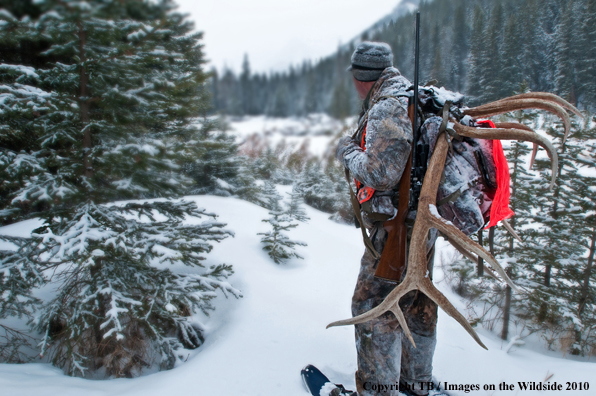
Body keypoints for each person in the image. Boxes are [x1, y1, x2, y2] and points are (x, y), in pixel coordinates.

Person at [334, 41, 442, 396]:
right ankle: (416, 382)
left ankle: (380, 389)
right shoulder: (416, 97)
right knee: (417, 301)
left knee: (372, 307)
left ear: (362, 77)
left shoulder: (387, 106)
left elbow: (380, 173)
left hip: (397, 227)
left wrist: (347, 150)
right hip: (424, 223)